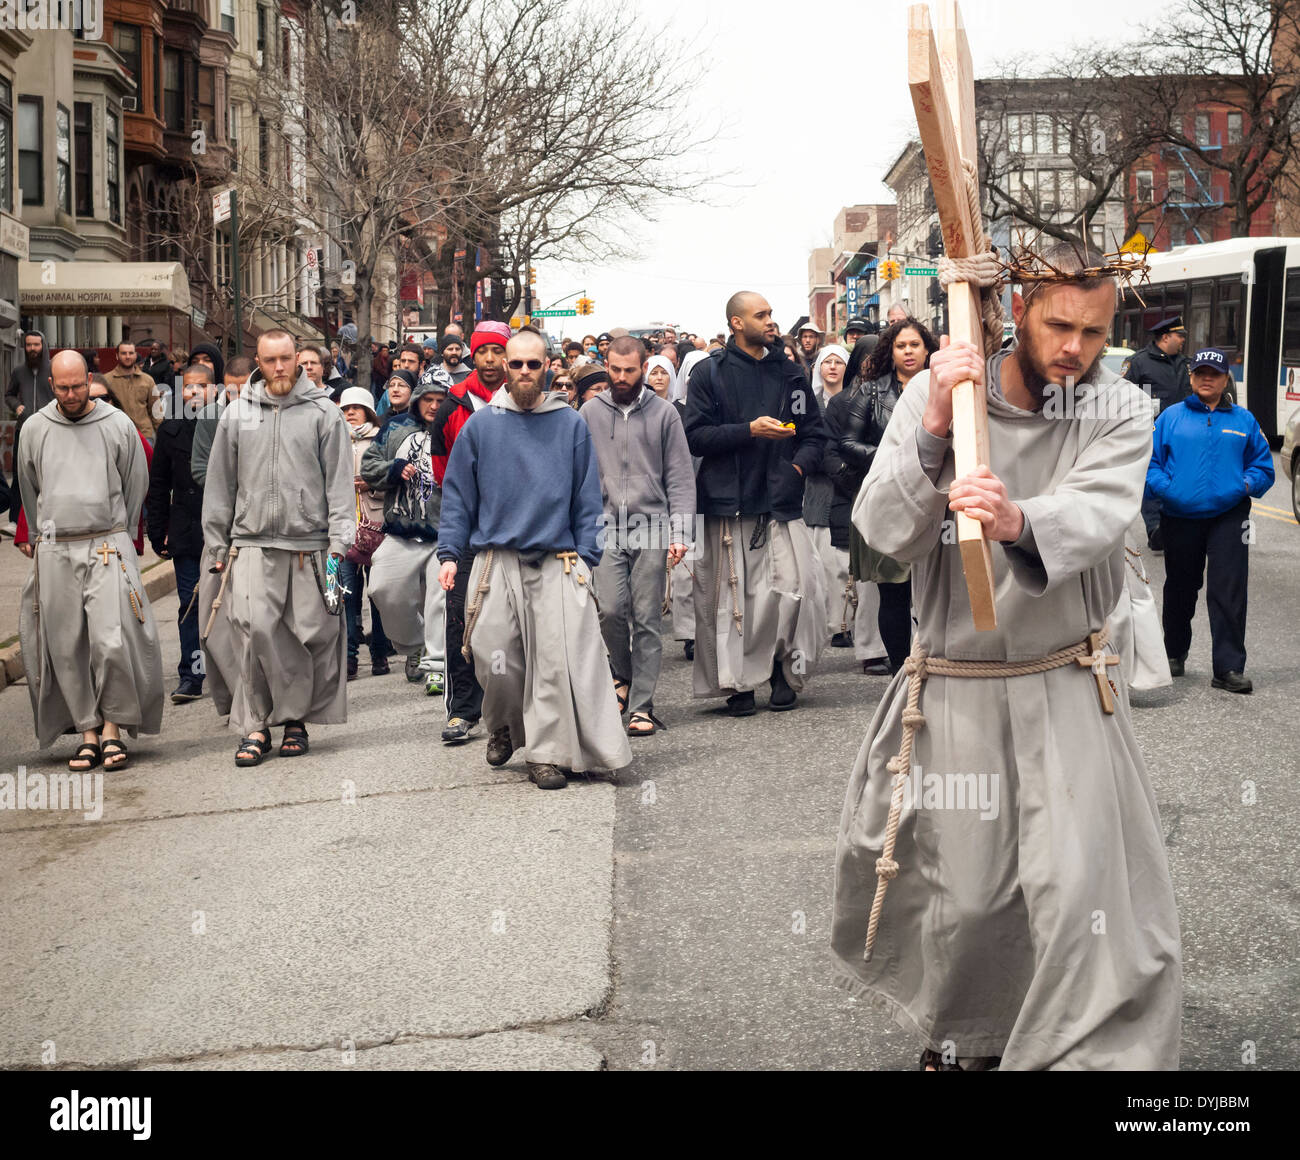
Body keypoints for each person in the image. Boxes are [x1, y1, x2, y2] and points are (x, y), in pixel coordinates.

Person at [830, 241, 1181, 1070]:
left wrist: (1018, 519)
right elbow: (880, 537)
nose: (1076, 350)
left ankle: (1089, 1056)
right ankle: (968, 1038)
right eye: (1060, 325)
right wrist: (935, 435)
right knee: (972, 893)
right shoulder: (935, 391)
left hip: (1067, 679)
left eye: (1095, 334)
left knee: (1084, 892)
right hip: (957, 689)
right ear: (1018, 307)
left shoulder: (1121, 409)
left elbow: (1097, 513)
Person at [437, 328, 631, 789]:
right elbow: (458, 496)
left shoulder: (569, 424)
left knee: (551, 663)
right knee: (494, 654)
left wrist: (587, 557)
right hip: (495, 559)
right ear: (506, 366)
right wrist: (448, 554)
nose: (525, 371)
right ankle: (502, 722)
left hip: (557, 559)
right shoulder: (481, 426)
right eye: (517, 363)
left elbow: (588, 497)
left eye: (534, 364)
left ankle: (543, 753)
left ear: (548, 367)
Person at [200, 330, 354, 766]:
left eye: (288, 359)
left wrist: (340, 545)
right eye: (271, 361)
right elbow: (219, 486)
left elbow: (340, 486)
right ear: (258, 363)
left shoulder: (325, 414)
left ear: (299, 361)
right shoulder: (236, 414)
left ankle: (294, 722)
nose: (281, 368)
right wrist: (216, 544)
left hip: (308, 545)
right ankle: (253, 725)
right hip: (249, 543)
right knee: (251, 630)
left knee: (304, 636)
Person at [15, 350, 164, 770]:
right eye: (63, 387)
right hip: (56, 548)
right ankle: (87, 731)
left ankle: (114, 728)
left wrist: (121, 532)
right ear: (51, 386)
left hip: (106, 545)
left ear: (89, 379)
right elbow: (30, 490)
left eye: (78, 385)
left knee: (110, 640)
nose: (71, 393)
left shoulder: (118, 425)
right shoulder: (35, 428)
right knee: (66, 644)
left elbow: (137, 486)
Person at [684, 291, 828, 716]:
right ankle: (739, 683)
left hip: (781, 501)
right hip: (729, 503)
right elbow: (695, 437)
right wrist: (748, 430)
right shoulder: (709, 374)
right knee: (734, 601)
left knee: (793, 592)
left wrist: (798, 469)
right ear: (736, 323)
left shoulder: (791, 375)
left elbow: (814, 434)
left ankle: (783, 671)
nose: (770, 321)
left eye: (770, 314)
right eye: (760, 315)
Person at [583, 336, 694, 736]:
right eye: (615, 370)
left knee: (647, 618)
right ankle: (622, 675)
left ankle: (641, 706)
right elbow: (579, 477)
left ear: (643, 367)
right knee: (610, 610)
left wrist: (680, 531)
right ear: (606, 366)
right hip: (605, 525)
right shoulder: (589, 413)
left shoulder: (665, 414)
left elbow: (680, 477)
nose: (622, 377)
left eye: (630, 370)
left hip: (652, 525)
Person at [1147, 347, 1274, 693]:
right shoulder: (1170, 418)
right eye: (1200, 372)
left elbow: (1263, 468)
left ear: (1225, 378)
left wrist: (1244, 485)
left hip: (1230, 518)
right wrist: (1167, 490)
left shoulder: (1244, 421)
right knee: (1180, 589)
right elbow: (1150, 464)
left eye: (1214, 373)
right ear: (1190, 377)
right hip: (1179, 516)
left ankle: (1229, 668)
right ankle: (1174, 653)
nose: (1207, 378)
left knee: (1229, 592)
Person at [836, 317, 939, 673]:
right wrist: (898, 458)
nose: (908, 351)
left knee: (937, 591)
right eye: (901, 346)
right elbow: (847, 443)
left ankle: (939, 668)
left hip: (939, 503)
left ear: (928, 349)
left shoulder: (945, 386)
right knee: (894, 593)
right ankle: (902, 672)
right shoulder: (872, 390)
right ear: (890, 352)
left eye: (915, 345)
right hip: (889, 498)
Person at [426, 321, 509, 744]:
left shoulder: (525, 399)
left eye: (498, 351)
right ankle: (463, 711)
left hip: (517, 533)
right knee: (462, 619)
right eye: (483, 352)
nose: (491, 360)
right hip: (470, 533)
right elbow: (445, 475)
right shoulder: (452, 405)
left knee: (513, 625)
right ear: (471, 356)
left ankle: (514, 707)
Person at [362, 373, 448, 697]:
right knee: (383, 589)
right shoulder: (395, 428)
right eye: (429, 400)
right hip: (401, 531)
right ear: (418, 401)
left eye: (441, 401)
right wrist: (394, 470)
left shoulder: (456, 429)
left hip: (443, 534)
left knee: (440, 597)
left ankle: (437, 667)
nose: (435, 406)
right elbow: (369, 467)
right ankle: (416, 644)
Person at [147, 362, 218, 704]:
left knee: (226, 603)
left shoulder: (228, 424)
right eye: (187, 387)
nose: (193, 393)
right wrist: (156, 530)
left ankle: (226, 669)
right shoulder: (170, 430)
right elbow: (158, 485)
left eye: (200, 387)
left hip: (222, 527)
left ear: (214, 390)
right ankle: (192, 674)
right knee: (190, 603)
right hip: (186, 529)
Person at [337, 385, 392, 679]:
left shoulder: (381, 440)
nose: (351, 414)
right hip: (344, 527)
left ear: (368, 411)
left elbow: (392, 480)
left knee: (378, 593)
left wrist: (370, 485)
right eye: (346, 409)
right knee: (346, 594)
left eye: (356, 408)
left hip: (377, 525)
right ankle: (349, 658)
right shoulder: (333, 439)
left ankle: (380, 653)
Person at [801, 344, 854, 647]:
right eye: (827, 362)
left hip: (847, 486)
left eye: (839, 362)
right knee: (823, 562)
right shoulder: (810, 405)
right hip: (819, 489)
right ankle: (833, 623)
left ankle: (847, 620)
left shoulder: (855, 402)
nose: (832, 367)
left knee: (845, 563)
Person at [1125, 315, 1191, 552]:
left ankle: (1177, 526)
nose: (1183, 340)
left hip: (1183, 434)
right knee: (1152, 479)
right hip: (1150, 432)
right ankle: (1155, 529)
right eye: (1179, 335)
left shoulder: (1187, 365)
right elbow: (1121, 398)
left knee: (1179, 479)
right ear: (1165, 337)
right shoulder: (1139, 363)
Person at [4, 329, 53, 528]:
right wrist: (16, 406)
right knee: (20, 474)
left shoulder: (53, 369)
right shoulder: (18, 371)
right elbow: (9, 395)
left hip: (49, 429)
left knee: (48, 474)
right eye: (29, 345)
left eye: (36, 345)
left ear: (43, 346)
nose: (32, 349)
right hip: (23, 429)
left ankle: (47, 518)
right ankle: (15, 521)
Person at [190, 356, 252, 487]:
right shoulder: (209, 416)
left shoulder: (272, 412)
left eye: (244, 392)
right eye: (231, 392)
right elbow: (200, 470)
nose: (237, 399)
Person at [105, 339, 162, 441]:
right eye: (123, 353)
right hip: (118, 436)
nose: (128, 356)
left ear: (135, 355)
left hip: (145, 435)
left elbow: (156, 411)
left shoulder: (147, 380)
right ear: (117, 356)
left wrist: (162, 435)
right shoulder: (107, 381)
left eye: (131, 353)